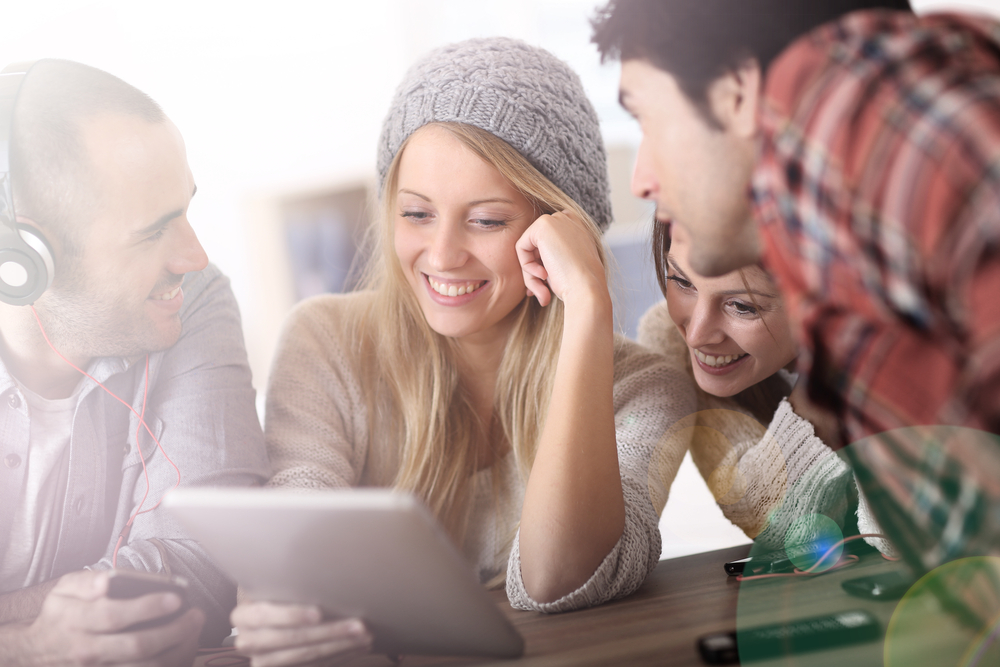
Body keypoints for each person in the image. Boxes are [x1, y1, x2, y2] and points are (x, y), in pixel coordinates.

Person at [232, 37, 694, 665]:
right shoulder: (325, 341)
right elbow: (299, 523)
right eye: (417, 213)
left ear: (560, 227)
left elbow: (559, 581)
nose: (443, 255)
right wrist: (283, 601)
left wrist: (587, 307)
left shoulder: (644, 389)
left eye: (486, 220)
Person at [592, 0, 1000, 568]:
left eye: (646, 117)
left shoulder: (866, 121)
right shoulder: (838, 270)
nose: (642, 181)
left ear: (736, 91)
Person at [0, 60, 269, 665]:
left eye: (186, 209)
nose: (194, 255)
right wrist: (26, 647)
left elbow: (206, 561)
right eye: (153, 233)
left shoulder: (190, 300)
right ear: (23, 256)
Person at [639, 223, 889, 555]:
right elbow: (762, 515)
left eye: (743, 306)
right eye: (683, 282)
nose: (697, 334)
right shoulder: (669, 336)